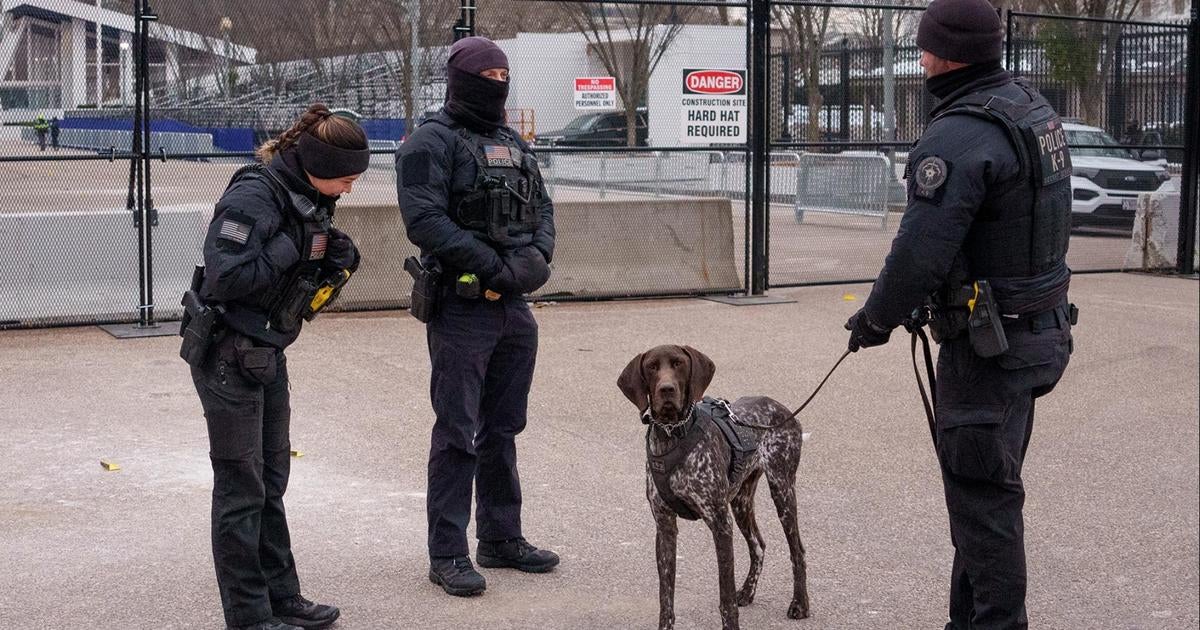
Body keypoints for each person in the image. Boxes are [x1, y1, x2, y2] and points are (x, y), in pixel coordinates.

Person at [843, 1, 1074, 628]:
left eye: (923, 49)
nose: (920, 61)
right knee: (982, 497)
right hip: (1040, 333)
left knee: (985, 502)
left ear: (946, 53)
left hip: (990, 352)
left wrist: (874, 320)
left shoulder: (957, 135)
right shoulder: (1029, 108)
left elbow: (918, 251)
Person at [186, 103, 368, 630]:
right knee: (242, 488)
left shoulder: (307, 196)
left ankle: (282, 598)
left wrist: (334, 256)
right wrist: (297, 245)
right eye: (346, 178)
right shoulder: (254, 196)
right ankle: (248, 615)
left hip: (266, 350)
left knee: (271, 480)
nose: (349, 190)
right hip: (228, 353)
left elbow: (299, 285)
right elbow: (226, 277)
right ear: (315, 162)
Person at [395, 36, 558, 598]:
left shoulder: (514, 143)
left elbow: (542, 209)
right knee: (456, 433)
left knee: (504, 429)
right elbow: (424, 220)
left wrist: (536, 262)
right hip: (462, 309)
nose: (496, 83)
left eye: (502, 75)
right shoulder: (428, 143)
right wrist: (493, 266)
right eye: (485, 75)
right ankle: (447, 553)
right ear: (459, 80)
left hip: (514, 308)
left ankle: (501, 538)